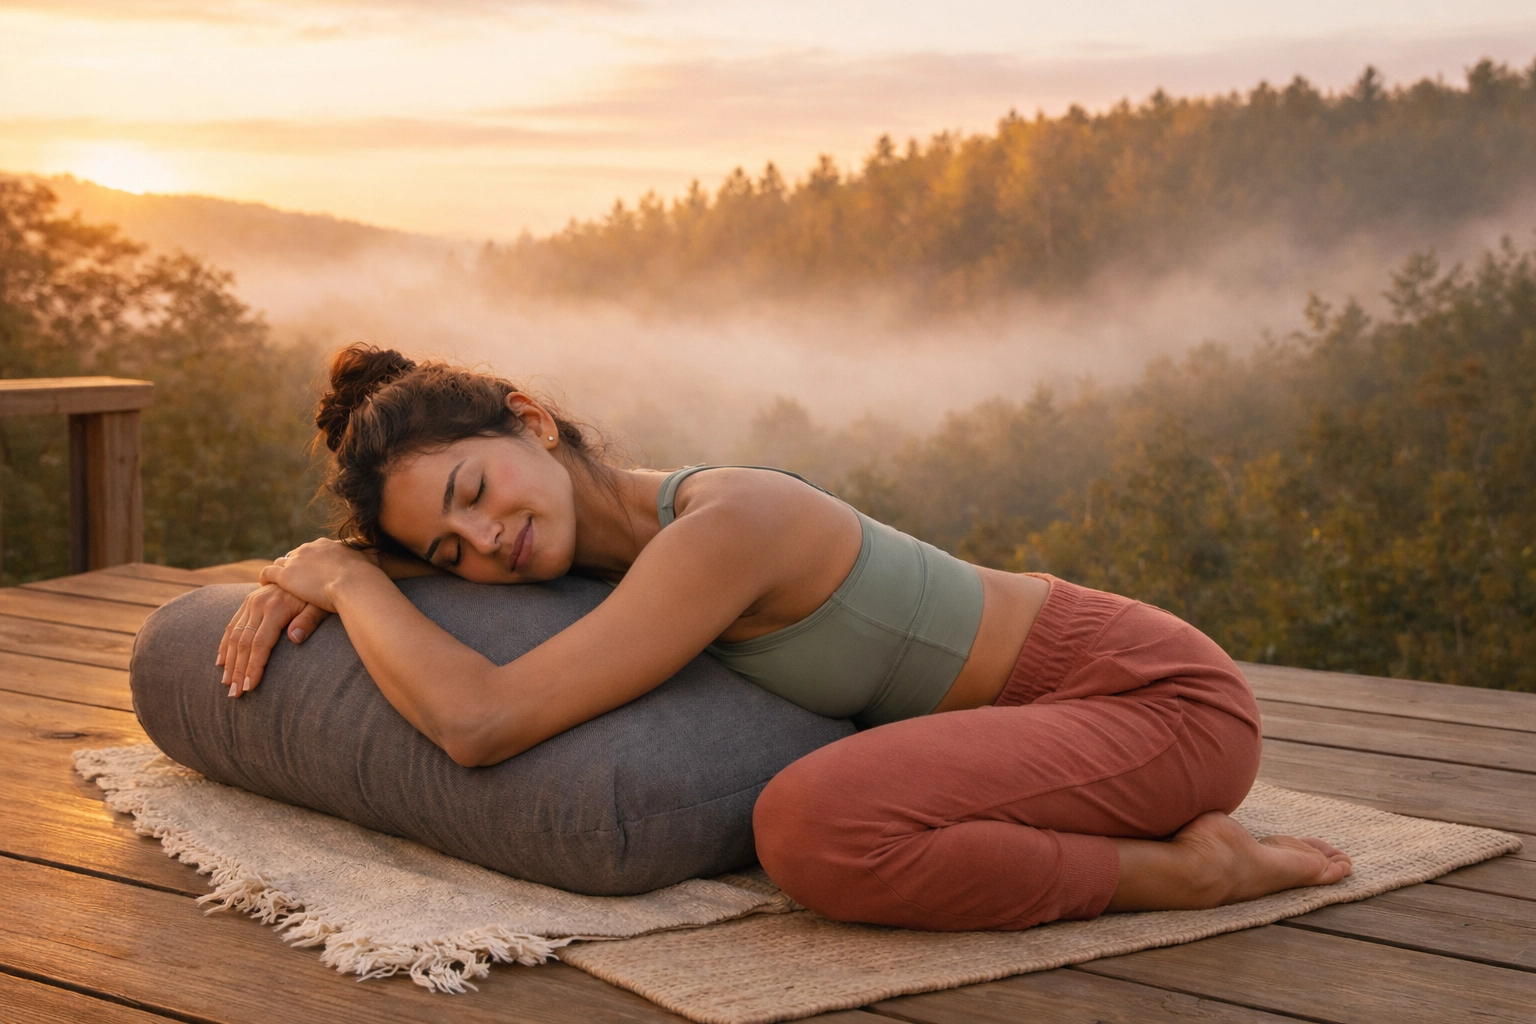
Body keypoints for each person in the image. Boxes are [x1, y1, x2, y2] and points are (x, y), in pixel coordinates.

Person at [219, 344, 1351, 932]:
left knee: (811, 827)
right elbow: (431, 582)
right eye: (447, 549)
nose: (484, 541)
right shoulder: (601, 548)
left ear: (532, 418)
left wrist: (347, 583)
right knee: (826, 821)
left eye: (475, 490)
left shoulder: (725, 527)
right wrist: (332, 567)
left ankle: (1192, 874)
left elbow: (480, 720)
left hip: (1152, 702)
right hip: (1044, 727)